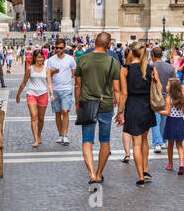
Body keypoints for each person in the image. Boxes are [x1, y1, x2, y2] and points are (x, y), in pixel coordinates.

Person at [73, 31, 123, 184]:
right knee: (105, 141)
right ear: (109, 45)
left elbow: (77, 84)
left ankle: (92, 174)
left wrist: (77, 103)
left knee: (87, 140)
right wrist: (120, 111)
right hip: (106, 105)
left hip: (87, 104)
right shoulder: (113, 62)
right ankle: (100, 173)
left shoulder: (83, 59)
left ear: (94, 42)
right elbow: (116, 90)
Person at [119, 45, 160, 186]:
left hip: (133, 106)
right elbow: (159, 88)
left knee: (136, 143)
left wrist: (119, 111)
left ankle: (140, 176)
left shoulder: (125, 70)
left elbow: (124, 94)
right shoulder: (149, 68)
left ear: (131, 53)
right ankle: (146, 169)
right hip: (147, 107)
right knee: (144, 140)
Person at [15, 49, 52, 148]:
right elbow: (24, 82)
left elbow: (49, 82)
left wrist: (51, 94)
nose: (40, 59)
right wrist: (18, 94)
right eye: (38, 57)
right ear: (35, 58)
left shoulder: (46, 69)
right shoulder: (29, 69)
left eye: (41, 57)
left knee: (41, 118)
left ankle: (39, 134)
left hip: (43, 94)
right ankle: (35, 138)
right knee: (34, 116)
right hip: (31, 93)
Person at [46, 40, 77, 146]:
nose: (58, 50)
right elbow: (47, 75)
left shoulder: (71, 59)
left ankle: (65, 135)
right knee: (58, 113)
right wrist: (53, 72)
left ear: (64, 48)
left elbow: (74, 74)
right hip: (55, 89)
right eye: (56, 48)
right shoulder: (50, 60)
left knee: (65, 111)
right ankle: (60, 134)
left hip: (66, 89)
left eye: (60, 48)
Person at [150, 47, 176, 157]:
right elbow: (174, 83)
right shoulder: (170, 67)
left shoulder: (151, 67)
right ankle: (164, 141)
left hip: (155, 97)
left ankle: (157, 143)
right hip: (167, 96)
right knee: (164, 120)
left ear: (153, 55)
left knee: (155, 120)